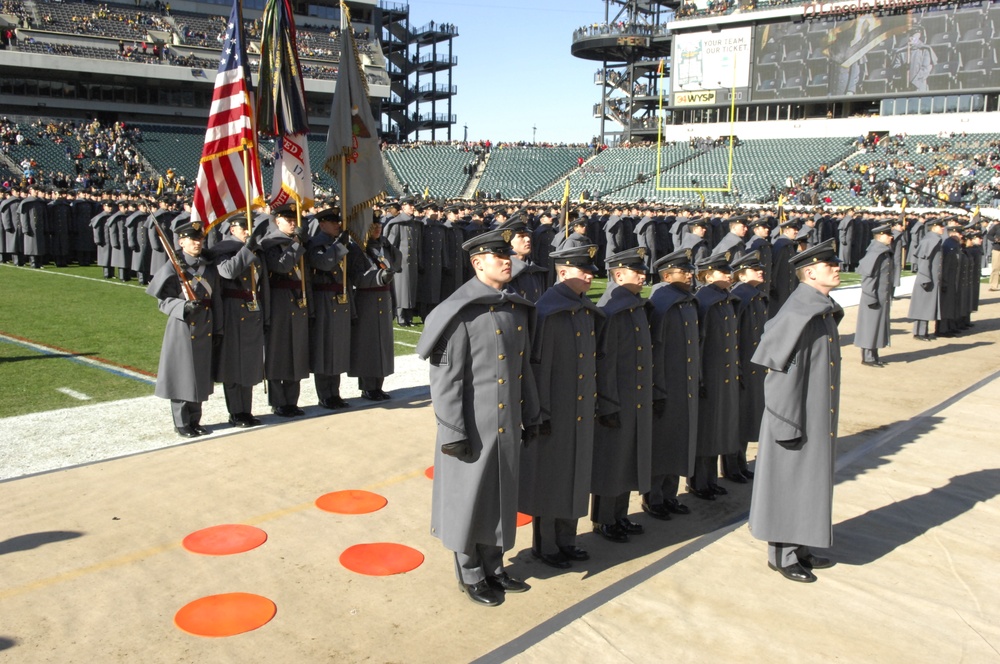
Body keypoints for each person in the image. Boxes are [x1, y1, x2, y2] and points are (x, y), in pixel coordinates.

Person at [416, 227, 539, 608]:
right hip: (470, 427)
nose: (507, 260)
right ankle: (470, 573)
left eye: (508, 254)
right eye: (497, 255)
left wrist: (532, 414)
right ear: (477, 263)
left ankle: (494, 566)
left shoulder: (513, 307)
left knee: (500, 498)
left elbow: (524, 369)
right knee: (467, 502)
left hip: (504, 427)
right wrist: (453, 431)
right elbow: (446, 380)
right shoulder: (459, 312)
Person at [748, 238, 843, 583]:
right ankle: (782, 555)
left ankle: (801, 546)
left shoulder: (818, 306)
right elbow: (778, 376)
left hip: (814, 413)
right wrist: (785, 424)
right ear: (810, 272)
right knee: (788, 484)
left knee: (808, 484)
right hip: (793, 417)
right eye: (829, 264)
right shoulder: (798, 312)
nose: (836, 268)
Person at [519, 244, 603, 569]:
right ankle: (547, 544)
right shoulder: (547, 311)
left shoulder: (583, 308)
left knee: (576, 477)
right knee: (551, 480)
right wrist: (539, 413)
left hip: (580, 410)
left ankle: (568, 539)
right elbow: (536, 369)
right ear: (563, 272)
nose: (590, 275)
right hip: (555, 413)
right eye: (584, 270)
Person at [591, 247, 653, 543]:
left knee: (628, 459)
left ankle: (619, 514)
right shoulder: (612, 309)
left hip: (635, 397)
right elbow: (605, 363)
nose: (643, 275)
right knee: (611, 462)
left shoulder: (634, 306)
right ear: (618, 275)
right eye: (635, 271)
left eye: (642, 270)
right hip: (617, 399)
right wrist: (607, 403)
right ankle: (604, 519)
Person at [146, 220, 222, 437]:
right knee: (181, 374)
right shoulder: (173, 266)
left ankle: (195, 419)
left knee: (200, 374)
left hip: (206, 323)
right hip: (182, 325)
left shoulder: (207, 266)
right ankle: (181, 422)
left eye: (200, 239)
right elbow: (162, 300)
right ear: (181, 242)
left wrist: (219, 328)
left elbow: (215, 299)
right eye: (193, 239)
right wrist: (183, 306)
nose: (198, 243)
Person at [646, 248, 699, 519]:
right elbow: (655, 349)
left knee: (678, 442)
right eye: (684, 271)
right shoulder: (663, 303)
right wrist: (657, 388)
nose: (690, 275)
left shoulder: (686, 301)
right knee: (663, 445)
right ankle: (653, 497)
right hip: (666, 385)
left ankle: (670, 494)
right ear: (667, 275)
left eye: (689, 270)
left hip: (684, 384)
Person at [688, 250, 740, 500]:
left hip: (723, 375)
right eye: (723, 272)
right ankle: (698, 482)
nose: (729, 276)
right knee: (706, 431)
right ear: (708, 276)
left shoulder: (723, 298)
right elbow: (698, 344)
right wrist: (699, 378)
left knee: (717, 429)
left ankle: (709, 480)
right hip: (708, 376)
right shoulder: (705, 302)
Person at [211, 214, 268, 427]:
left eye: (250, 227)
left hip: (253, 310)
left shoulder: (254, 249)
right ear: (232, 229)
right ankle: (236, 412)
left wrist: (266, 314)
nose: (248, 230)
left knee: (250, 363)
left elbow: (264, 286)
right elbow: (227, 272)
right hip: (233, 312)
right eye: (244, 227)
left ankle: (247, 410)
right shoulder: (223, 249)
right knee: (233, 365)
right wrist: (247, 249)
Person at [723, 250, 767, 483]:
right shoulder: (741, 297)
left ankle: (739, 463)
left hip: (755, 367)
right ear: (741, 274)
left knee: (748, 416)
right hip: (742, 368)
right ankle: (732, 466)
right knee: (738, 419)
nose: (761, 272)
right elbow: (734, 338)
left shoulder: (756, 296)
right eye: (755, 269)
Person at [262, 203, 310, 416]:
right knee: (278, 354)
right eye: (288, 220)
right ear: (277, 221)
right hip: (279, 301)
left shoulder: (297, 243)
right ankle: (278, 401)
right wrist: (296, 244)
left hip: (298, 301)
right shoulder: (271, 243)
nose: (293, 223)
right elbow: (281, 266)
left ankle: (292, 400)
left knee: (296, 353)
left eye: (294, 220)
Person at [306, 207, 356, 410]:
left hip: (340, 298)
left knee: (337, 348)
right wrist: (339, 246)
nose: (337, 225)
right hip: (323, 298)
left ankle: (335, 392)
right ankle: (324, 394)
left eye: (338, 222)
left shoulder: (337, 244)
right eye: (333, 222)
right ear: (322, 224)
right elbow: (324, 263)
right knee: (324, 347)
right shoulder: (316, 244)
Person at [350, 215, 399, 400]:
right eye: (373, 226)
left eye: (379, 225)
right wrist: (378, 277)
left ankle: (378, 385)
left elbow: (394, 269)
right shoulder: (358, 249)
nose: (378, 229)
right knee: (368, 345)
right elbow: (355, 277)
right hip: (367, 299)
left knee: (382, 345)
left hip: (384, 297)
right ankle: (368, 387)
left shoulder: (383, 248)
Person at [854, 223, 894, 366]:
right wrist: (871, 297)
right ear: (881, 236)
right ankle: (868, 357)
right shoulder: (875, 253)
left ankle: (874, 354)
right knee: (870, 327)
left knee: (876, 327)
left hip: (880, 296)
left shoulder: (882, 251)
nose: (891, 237)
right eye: (888, 235)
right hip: (873, 297)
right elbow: (868, 278)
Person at [907, 217, 945, 341]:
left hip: (931, 278)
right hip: (927, 278)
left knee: (926, 306)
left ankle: (923, 331)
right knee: (923, 306)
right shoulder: (930, 241)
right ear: (934, 227)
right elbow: (924, 261)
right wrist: (925, 278)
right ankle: (920, 332)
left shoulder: (934, 240)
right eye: (940, 226)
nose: (943, 228)